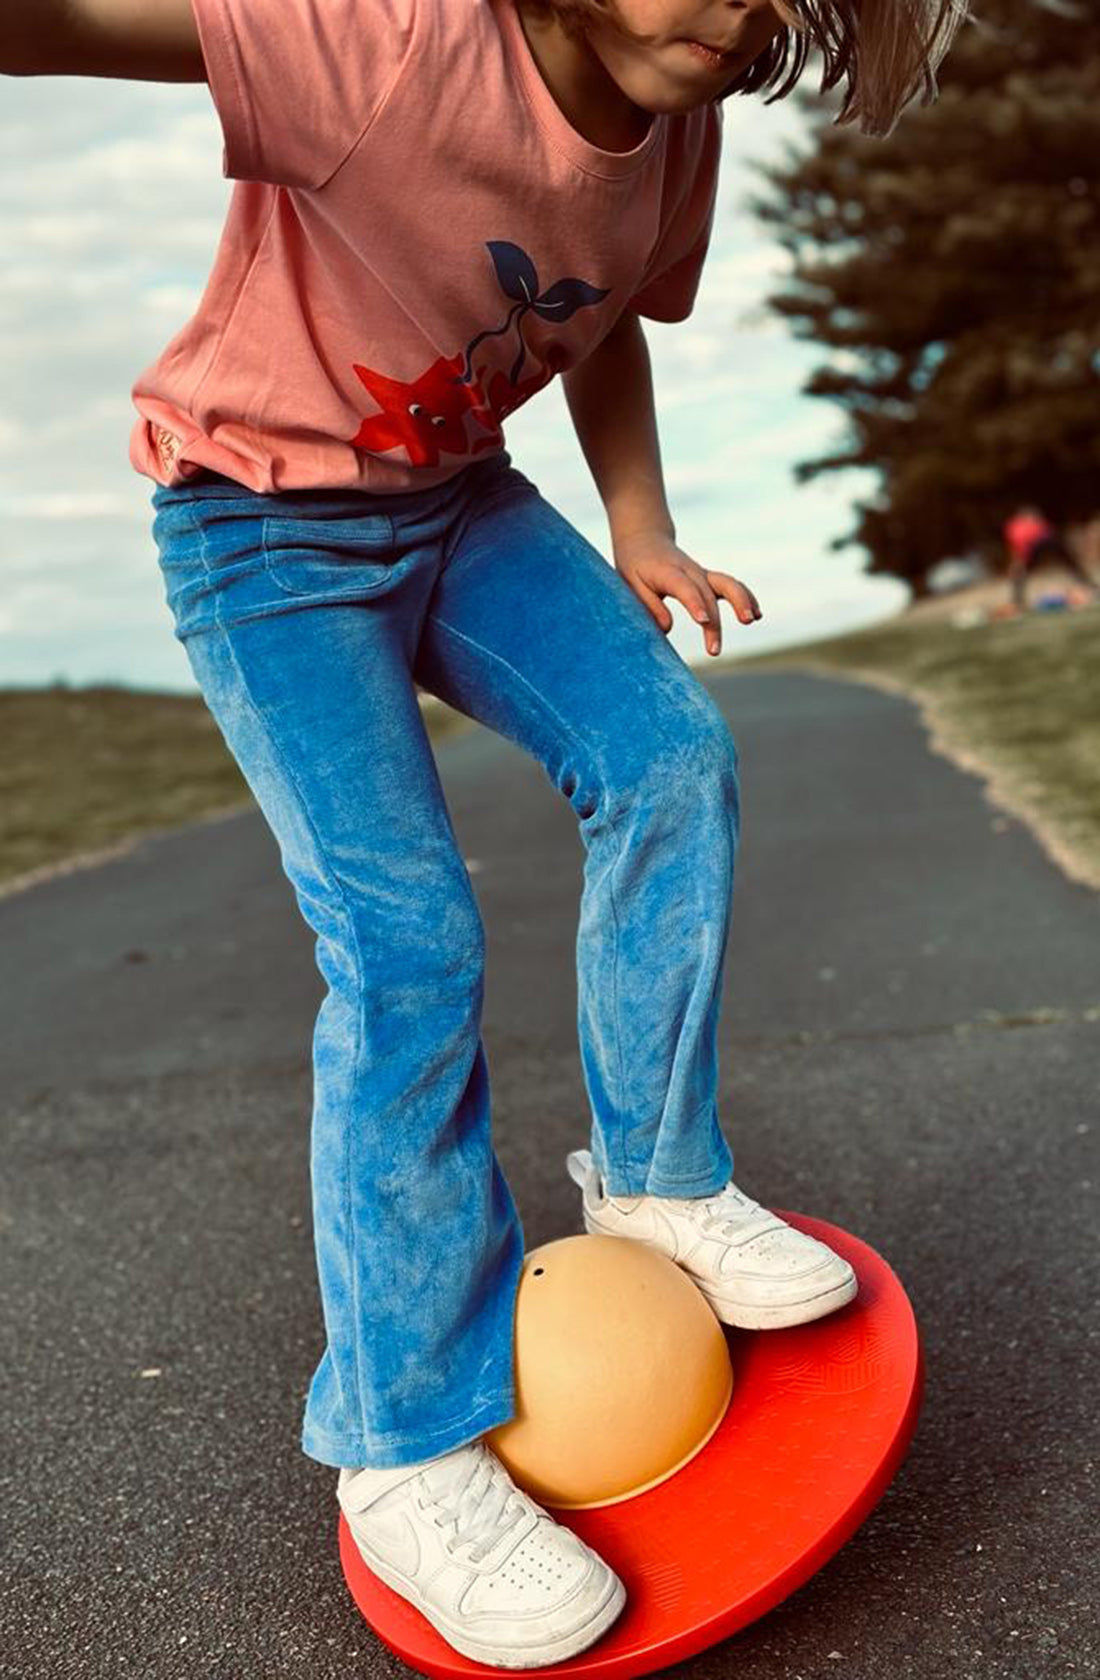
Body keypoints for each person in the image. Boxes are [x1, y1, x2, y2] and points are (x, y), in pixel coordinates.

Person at [5, 0, 970, 1665]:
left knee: (669, 759)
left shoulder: (679, 119)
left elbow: (603, 319)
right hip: (262, 535)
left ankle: (660, 1182)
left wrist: (642, 525)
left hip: (458, 511)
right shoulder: (386, 46)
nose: (745, 10)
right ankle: (402, 1443)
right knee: (406, 945)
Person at [1003, 504, 1099, 611]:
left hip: (1042, 544)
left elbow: (1023, 545)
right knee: (1071, 565)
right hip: (1040, 545)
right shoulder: (1019, 526)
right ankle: (1018, 600)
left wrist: (1019, 561)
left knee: (1021, 573)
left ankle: (1018, 600)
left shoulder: (1025, 525)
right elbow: (1022, 544)